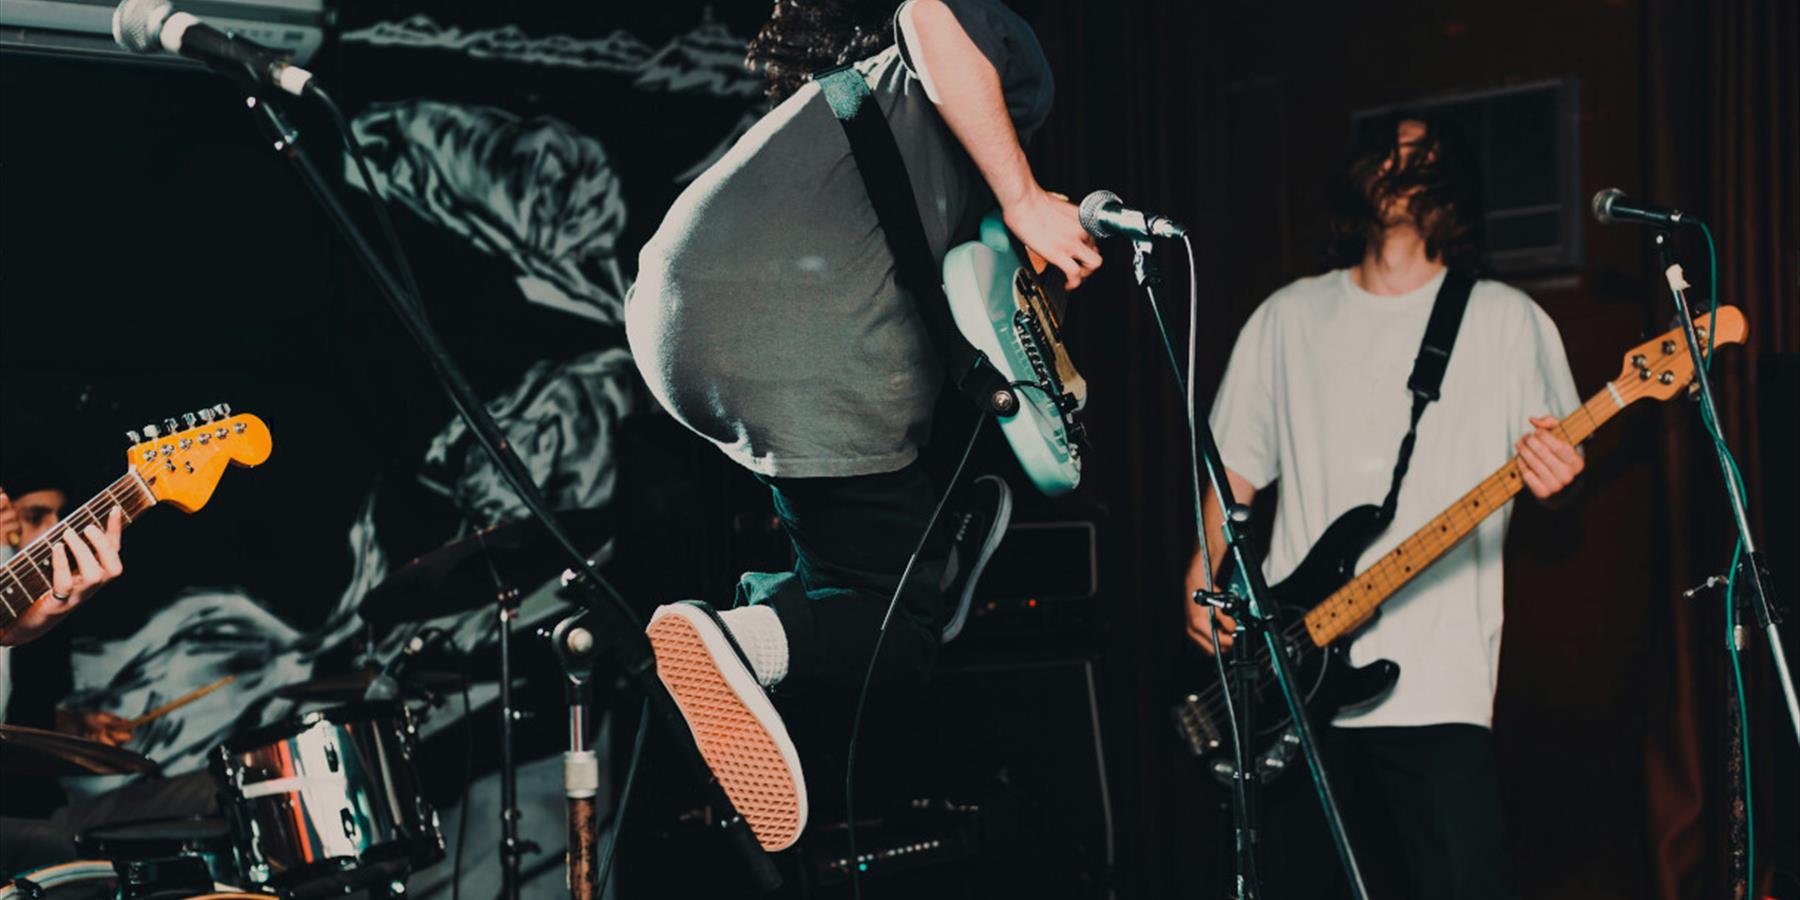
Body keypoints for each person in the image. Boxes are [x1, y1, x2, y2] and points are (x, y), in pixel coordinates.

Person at [624, 0, 1095, 851]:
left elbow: (968, 290)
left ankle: (930, 551)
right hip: (797, 327)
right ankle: (742, 638)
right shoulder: (937, 51)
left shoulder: (853, 128)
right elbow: (928, 14)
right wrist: (1024, 198)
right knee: (899, 638)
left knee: (866, 559)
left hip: (679, 319)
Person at [1182, 114, 1585, 899]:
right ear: (1358, 173)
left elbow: (1558, 464)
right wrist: (1205, 567)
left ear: (1455, 185)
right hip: (1294, 686)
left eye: (1424, 155)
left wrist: (1559, 474)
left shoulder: (1506, 319)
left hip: (1441, 684)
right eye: (1389, 151)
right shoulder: (1287, 316)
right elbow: (1234, 473)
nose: (1403, 165)